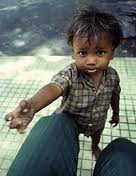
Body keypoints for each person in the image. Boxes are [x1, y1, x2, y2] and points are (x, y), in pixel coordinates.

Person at [5, 5, 123, 176]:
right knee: (68, 141)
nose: (91, 60)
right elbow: (54, 87)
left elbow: (115, 95)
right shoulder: (70, 73)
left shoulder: (113, 76)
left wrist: (116, 113)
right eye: (83, 53)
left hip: (98, 119)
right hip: (69, 123)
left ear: (112, 53)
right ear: (73, 53)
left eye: (100, 52)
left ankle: (94, 146)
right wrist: (33, 105)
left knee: (97, 133)